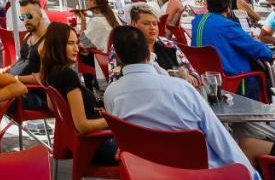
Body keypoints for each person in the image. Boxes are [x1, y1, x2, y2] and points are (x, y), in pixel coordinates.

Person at [104, 26, 256, 176]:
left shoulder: (111, 94)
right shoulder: (182, 89)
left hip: (144, 172)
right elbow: (218, 137)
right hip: (199, 173)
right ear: (148, 54)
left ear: (117, 56)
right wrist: (251, 174)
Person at [39, 22, 117, 166]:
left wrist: (91, 110)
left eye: (77, 43)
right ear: (57, 45)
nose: (76, 48)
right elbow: (82, 125)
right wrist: (114, 120)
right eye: (70, 43)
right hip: (97, 145)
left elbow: (52, 107)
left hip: (85, 144)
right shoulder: (67, 75)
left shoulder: (50, 72)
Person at [191, 0, 273, 98]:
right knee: (267, 79)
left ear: (208, 4)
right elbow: (261, 51)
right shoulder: (227, 25)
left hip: (204, 77)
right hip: (233, 80)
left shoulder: (197, 21)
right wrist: (268, 50)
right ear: (228, 5)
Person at [108, 3, 198, 84]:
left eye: (155, 24)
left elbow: (194, 75)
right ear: (133, 24)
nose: (152, 28)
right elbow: (114, 81)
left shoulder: (169, 45)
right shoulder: (121, 48)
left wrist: (189, 77)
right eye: (146, 23)